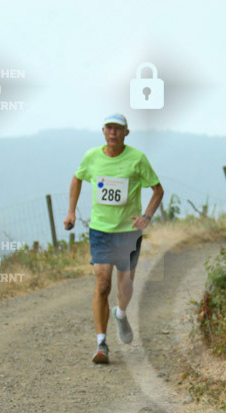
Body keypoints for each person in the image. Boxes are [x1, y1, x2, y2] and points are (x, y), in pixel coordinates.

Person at [65, 113, 164, 364]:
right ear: (103, 131)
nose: (113, 133)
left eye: (118, 129)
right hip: (100, 231)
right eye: (109, 128)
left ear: (126, 133)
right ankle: (101, 343)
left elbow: (157, 189)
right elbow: (77, 178)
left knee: (125, 285)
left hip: (129, 231)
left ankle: (120, 313)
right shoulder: (92, 157)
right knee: (102, 284)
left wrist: (147, 216)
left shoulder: (137, 159)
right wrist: (71, 212)